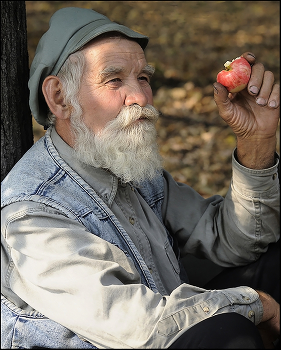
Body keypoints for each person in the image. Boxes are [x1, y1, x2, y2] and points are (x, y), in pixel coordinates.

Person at [1, 6, 280, 349]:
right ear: (59, 98)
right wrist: (255, 304)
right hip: (142, 335)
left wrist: (257, 142)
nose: (140, 97)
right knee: (228, 335)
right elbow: (138, 326)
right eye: (114, 79)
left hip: (164, 324)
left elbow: (236, 240)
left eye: (143, 78)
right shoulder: (31, 211)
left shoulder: (125, 165)